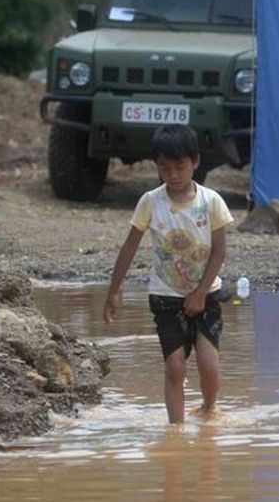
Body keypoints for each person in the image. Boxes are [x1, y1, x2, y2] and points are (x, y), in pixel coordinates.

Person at [103, 125, 235, 423]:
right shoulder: (150, 202)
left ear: (195, 162)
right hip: (165, 296)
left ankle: (209, 408)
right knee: (175, 365)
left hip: (207, 294)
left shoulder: (211, 201)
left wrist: (200, 293)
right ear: (157, 167)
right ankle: (175, 430)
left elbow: (219, 252)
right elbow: (129, 247)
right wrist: (114, 291)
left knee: (208, 362)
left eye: (180, 167)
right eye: (165, 168)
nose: (173, 174)